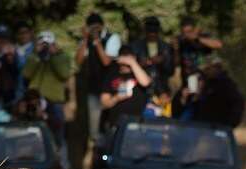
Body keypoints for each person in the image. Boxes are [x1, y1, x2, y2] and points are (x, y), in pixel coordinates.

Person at [23, 31, 72, 169]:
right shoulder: (33, 57)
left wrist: (53, 56)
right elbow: (26, 74)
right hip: (35, 101)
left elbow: (64, 74)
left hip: (54, 103)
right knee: (33, 136)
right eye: (42, 43)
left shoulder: (62, 57)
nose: (44, 47)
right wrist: (37, 55)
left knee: (58, 137)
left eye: (47, 44)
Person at [75, 12, 121, 141]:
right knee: (94, 128)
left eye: (97, 27)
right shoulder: (86, 41)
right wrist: (85, 39)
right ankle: (96, 149)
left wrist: (97, 42)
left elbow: (106, 61)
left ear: (102, 26)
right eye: (92, 28)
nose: (94, 30)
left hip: (110, 88)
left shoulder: (112, 38)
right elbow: (78, 61)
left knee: (111, 123)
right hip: (93, 88)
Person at [100, 45, 152, 132]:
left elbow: (145, 82)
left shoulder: (140, 72)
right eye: (123, 58)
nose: (125, 63)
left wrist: (132, 63)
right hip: (116, 125)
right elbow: (104, 103)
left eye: (128, 58)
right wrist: (117, 98)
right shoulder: (112, 75)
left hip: (137, 125)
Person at [192, 56, 244, 128]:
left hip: (219, 129)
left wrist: (229, 125)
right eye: (205, 69)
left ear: (217, 68)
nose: (206, 71)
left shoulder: (227, 85)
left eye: (208, 69)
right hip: (203, 128)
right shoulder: (205, 83)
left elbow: (238, 105)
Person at [130, 16, 174, 96]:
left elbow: (170, 71)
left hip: (161, 90)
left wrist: (163, 61)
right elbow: (130, 68)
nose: (152, 33)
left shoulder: (165, 47)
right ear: (145, 30)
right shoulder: (136, 46)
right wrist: (145, 63)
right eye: (150, 30)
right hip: (141, 90)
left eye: (155, 30)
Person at [175, 16, 223, 84]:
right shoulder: (182, 43)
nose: (187, 35)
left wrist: (197, 39)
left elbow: (218, 45)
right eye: (185, 33)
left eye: (189, 32)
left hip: (208, 79)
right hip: (191, 81)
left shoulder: (203, 37)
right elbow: (177, 63)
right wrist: (175, 49)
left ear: (195, 29)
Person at [0, 23, 18, 111]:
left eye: (5, 38)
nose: (1, 41)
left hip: (9, 94)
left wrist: (11, 59)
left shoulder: (14, 52)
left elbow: (17, 73)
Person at [14, 22, 35, 101]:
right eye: (20, 33)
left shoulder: (36, 50)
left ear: (30, 33)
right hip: (17, 92)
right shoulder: (13, 50)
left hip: (33, 92)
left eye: (25, 32)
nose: (23, 35)